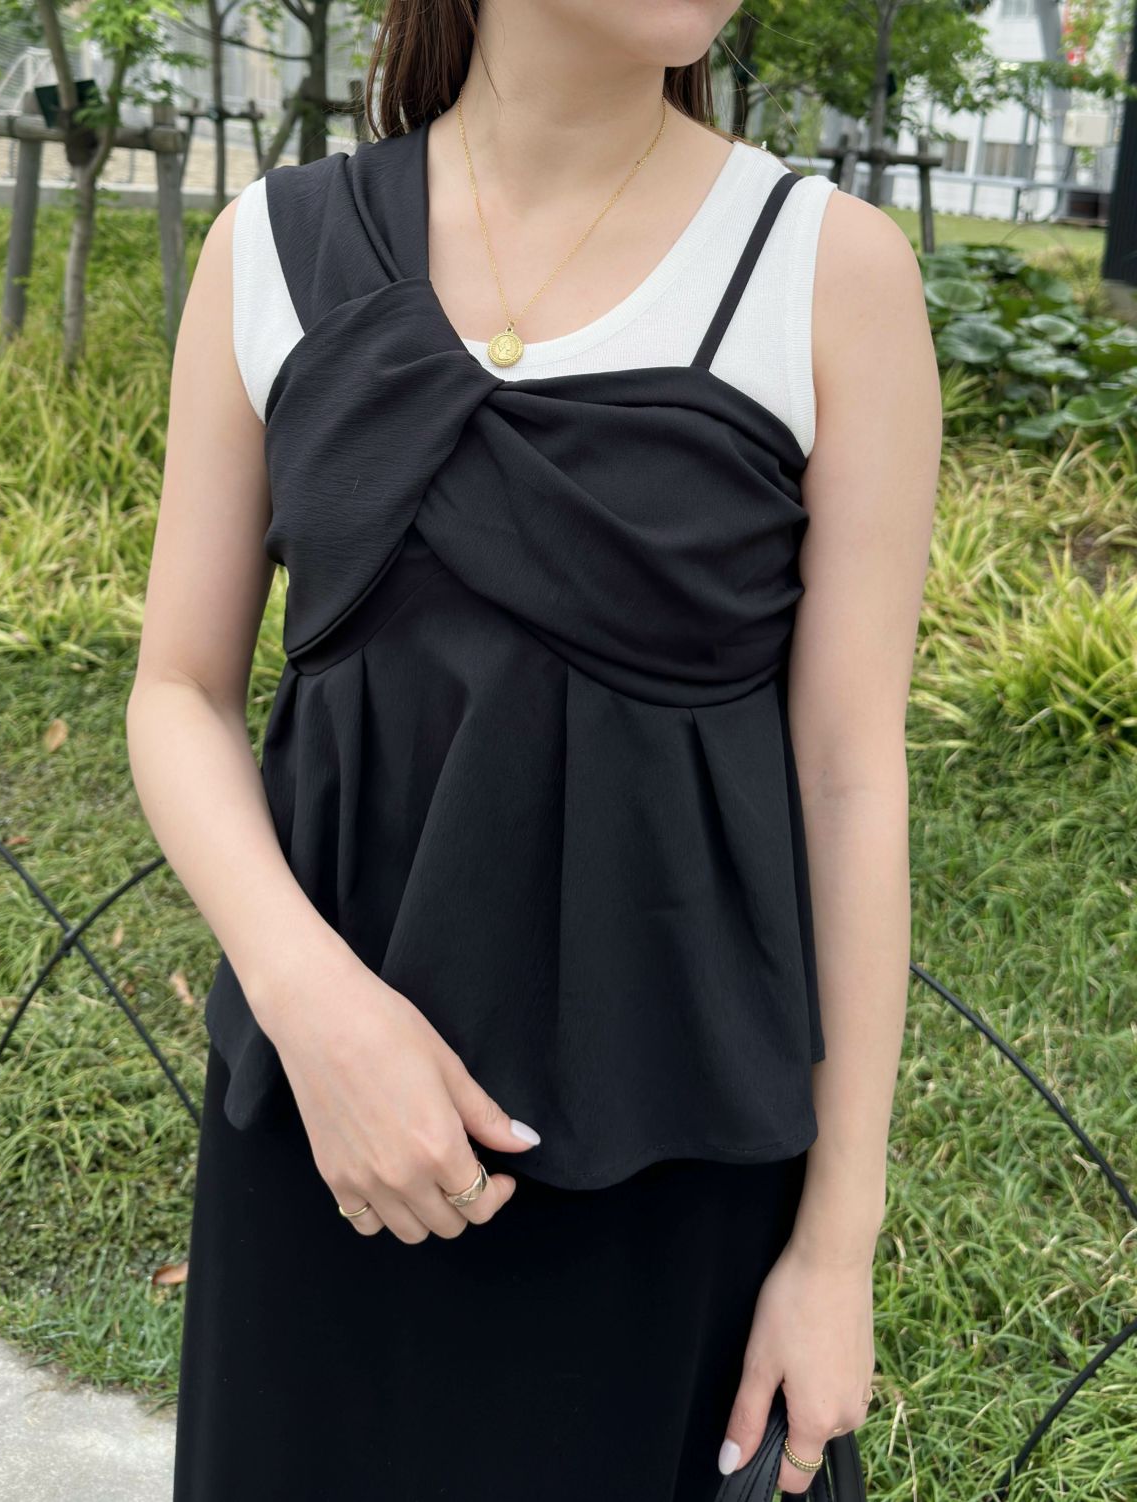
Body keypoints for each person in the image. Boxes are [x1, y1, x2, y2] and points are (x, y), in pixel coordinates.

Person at [125, 2, 941, 1497]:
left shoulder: (828, 273)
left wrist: (837, 1247)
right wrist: (314, 1007)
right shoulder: (270, 249)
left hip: (673, 1171)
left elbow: (849, 779)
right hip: (326, 1146)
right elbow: (176, 690)